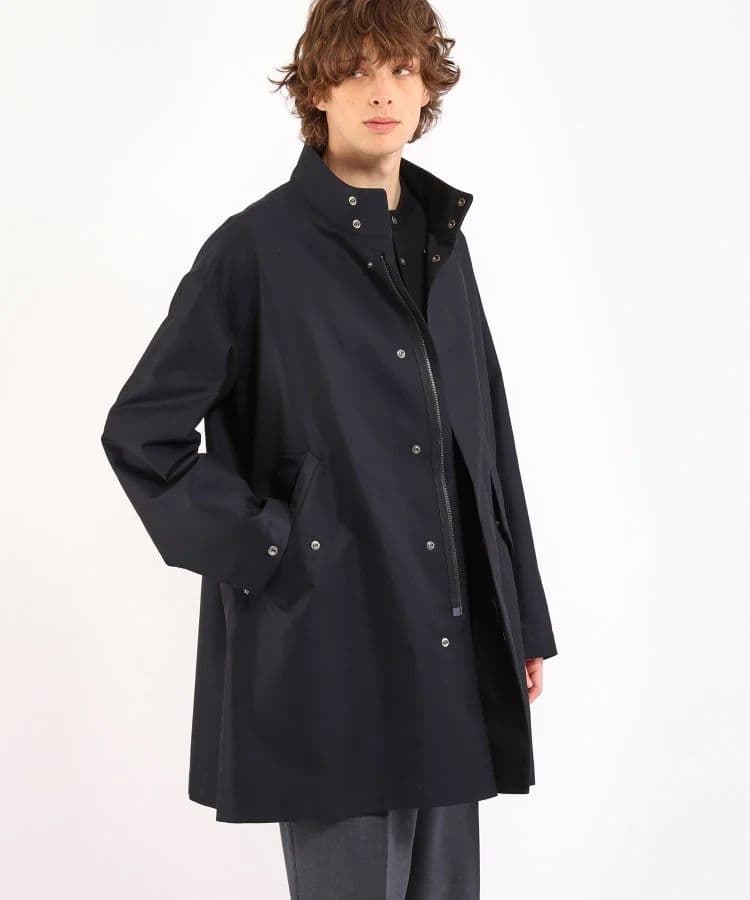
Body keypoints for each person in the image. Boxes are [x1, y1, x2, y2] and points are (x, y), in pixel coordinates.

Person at [101, 1, 558, 897]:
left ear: (427, 88)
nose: (381, 93)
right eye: (355, 71)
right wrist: (277, 546)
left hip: (449, 645)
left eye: (400, 70)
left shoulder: (442, 242)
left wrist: (521, 616)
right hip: (328, 648)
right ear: (316, 90)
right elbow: (142, 434)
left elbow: (487, 436)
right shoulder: (254, 251)